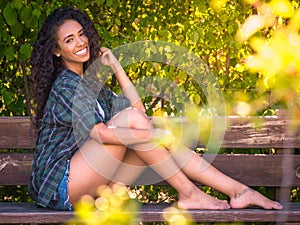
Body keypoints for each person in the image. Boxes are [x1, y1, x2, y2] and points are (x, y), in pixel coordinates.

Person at [29, 6, 283, 211]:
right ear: (56, 50)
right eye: (69, 40)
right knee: (141, 130)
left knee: (140, 128)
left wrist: (117, 68)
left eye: (82, 34)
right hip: (60, 188)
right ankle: (192, 193)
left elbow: (139, 114)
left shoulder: (89, 84)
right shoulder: (67, 86)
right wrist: (151, 135)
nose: (80, 42)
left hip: (88, 184)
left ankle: (238, 191)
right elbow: (101, 135)